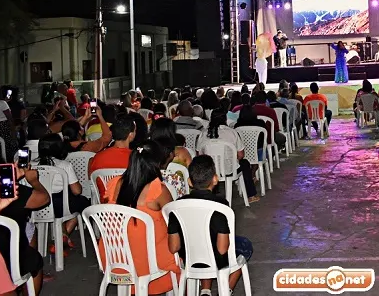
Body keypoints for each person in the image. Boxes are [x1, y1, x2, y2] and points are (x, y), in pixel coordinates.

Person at [100, 141, 181, 294]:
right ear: (156, 162)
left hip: (116, 256)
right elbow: (174, 219)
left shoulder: (113, 183)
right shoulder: (158, 189)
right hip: (148, 259)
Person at [167, 155, 252, 295]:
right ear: (215, 179)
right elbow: (223, 248)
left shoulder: (176, 207)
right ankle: (225, 290)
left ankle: (205, 290)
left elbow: (173, 247)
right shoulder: (221, 206)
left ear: (189, 182)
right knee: (244, 246)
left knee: (202, 243)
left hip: (189, 260)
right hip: (217, 260)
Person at [0, 152, 50, 294]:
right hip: (9, 258)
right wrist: (34, 181)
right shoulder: (9, 190)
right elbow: (43, 199)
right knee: (34, 256)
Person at [36, 133, 91, 246]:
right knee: (82, 203)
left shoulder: (31, 164)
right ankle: (61, 238)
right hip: (60, 206)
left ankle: (62, 236)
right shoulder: (64, 165)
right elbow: (77, 191)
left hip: (38, 206)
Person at [198, 111, 260, 203]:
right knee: (245, 163)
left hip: (210, 170)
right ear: (225, 119)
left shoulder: (203, 134)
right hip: (229, 170)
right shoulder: (232, 132)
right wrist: (231, 160)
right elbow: (241, 155)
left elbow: (199, 155)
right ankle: (251, 195)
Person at [89, 116, 136, 196]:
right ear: (131, 135)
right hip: (129, 206)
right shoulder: (136, 158)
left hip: (103, 205)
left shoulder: (97, 157)